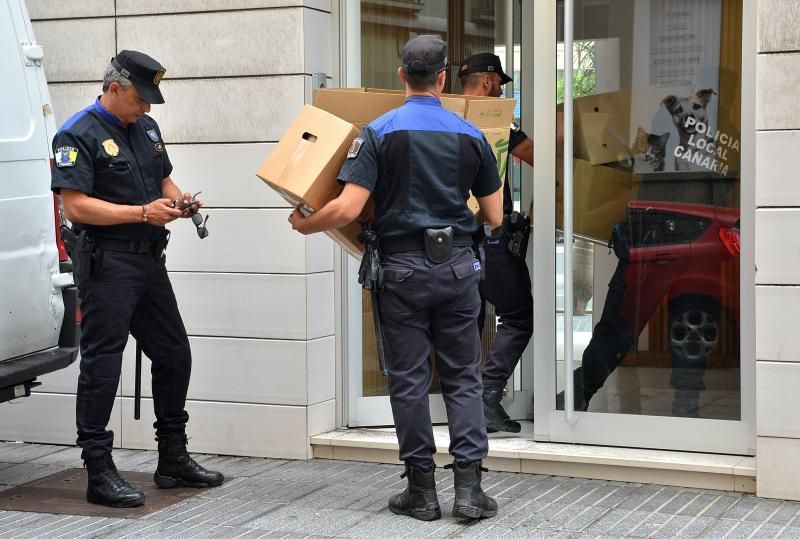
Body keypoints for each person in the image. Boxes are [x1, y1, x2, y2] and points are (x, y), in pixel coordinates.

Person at [289, 35, 503, 521]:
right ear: (445, 78)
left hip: (402, 271)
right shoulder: (471, 134)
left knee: (409, 380)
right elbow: (493, 215)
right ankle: (469, 490)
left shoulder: (378, 132)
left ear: (402, 75)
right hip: (458, 269)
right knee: (463, 378)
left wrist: (306, 224)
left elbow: (347, 207)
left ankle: (421, 493)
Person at [51, 50, 223, 508]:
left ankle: (172, 457)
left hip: (148, 261)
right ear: (115, 88)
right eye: (141, 98)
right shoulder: (77, 133)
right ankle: (98, 468)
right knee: (104, 362)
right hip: (107, 263)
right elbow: (76, 206)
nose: (147, 107)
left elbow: (163, 178)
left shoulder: (146, 128)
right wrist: (142, 213)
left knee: (173, 353)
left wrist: (179, 201)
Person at [459, 53, 533, 433]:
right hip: (490, 239)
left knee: (463, 321)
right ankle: (488, 398)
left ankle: (466, 407)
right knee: (518, 315)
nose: (503, 90)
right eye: (501, 83)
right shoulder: (496, 123)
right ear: (487, 81)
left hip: (449, 244)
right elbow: (539, 156)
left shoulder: (442, 118)